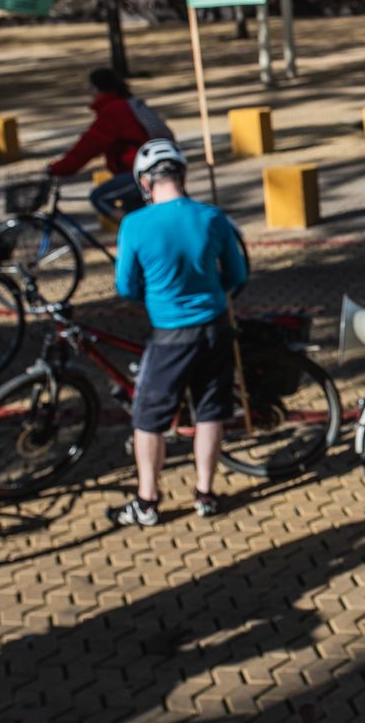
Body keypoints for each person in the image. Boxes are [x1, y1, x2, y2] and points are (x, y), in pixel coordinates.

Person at [110, 140, 248, 526]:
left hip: (171, 334)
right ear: (181, 175)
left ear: (145, 181)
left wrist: (154, 297)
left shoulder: (135, 224)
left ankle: (147, 500)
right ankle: (205, 493)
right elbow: (237, 275)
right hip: (216, 328)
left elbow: (125, 286)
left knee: (148, 419)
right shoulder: (211, 217)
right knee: (209, 412)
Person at [47, 68, 174, 220]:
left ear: (97, 89)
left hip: (139, 172)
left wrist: (58, 168)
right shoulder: (126, 104)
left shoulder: (113, 111)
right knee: (137, 212)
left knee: (99, 197)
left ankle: (132, 232)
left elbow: (87, 148)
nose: (89, 92)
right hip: (149, 168)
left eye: (90, 87)